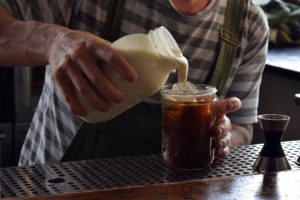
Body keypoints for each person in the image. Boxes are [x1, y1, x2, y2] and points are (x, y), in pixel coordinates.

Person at [0, 0, 269, 166]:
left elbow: (243, 128)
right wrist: (52, 41)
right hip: (57, 185)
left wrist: (223, 135)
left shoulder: (248, 24)